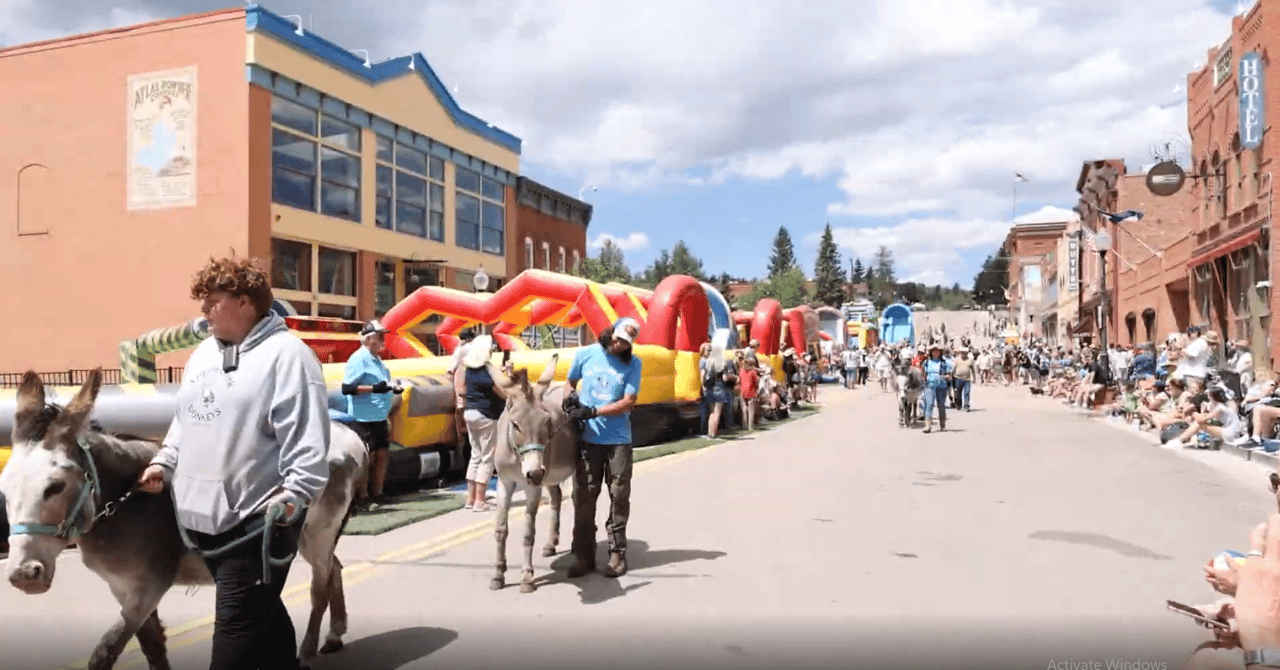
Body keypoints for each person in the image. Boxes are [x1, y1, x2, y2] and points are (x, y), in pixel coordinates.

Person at [137, 257, 330, 670]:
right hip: (203, 521)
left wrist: (296, 494)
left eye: (213, 301)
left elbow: (308, 443)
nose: (203, 310)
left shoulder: (290, 357)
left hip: (259, 523)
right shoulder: (203, 355)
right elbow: (184, 420)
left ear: (245, 303)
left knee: (236, 625)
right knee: (262, 610)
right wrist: (164, 462)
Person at [564, 317, 644, 579]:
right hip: (588, 439)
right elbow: (570, 382)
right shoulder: (586, 354)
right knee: (584, 496)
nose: (618, 344)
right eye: (617, 338)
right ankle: (583, 555)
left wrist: (594, 410)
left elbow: (629, 401)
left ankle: (617, 553)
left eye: (625, 342)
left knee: (618, 496)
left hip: (618, 440)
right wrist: (569, 401)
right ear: (610, 331)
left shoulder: (633, 364)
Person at [342, 319, 403, 505]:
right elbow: (347, 387)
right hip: (363, 417)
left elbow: (381, 385)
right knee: (366, 457)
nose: (383, 339)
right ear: (369, 339)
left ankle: (377, 492)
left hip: (378, 415)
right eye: (379, 336)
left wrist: (391, 389)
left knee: (382, 453)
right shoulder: (359, 358)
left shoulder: (377, 360)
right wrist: (374, 389)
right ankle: (363, 496)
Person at [461, 335, 504, 512]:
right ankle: (480, 500)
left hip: (470, 413)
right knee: (487, 458)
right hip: (486, 415)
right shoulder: (487, 370)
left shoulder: (469, 369)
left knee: (475, 456)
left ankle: (470, 498)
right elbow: (499, 390)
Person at [921, 344, 953, 433]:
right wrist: (923, 377)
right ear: (931, 352)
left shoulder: (945, 362)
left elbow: (949, 375)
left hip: (941, 386)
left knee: (941, 405)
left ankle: (943, 425)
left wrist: (944, 377)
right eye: (933, 351)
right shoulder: (927, 362)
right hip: (929, 386)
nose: (935, 352)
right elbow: (923, 373)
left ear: (940, 352)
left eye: (937, 351)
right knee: (929, 404)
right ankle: (927, 426)